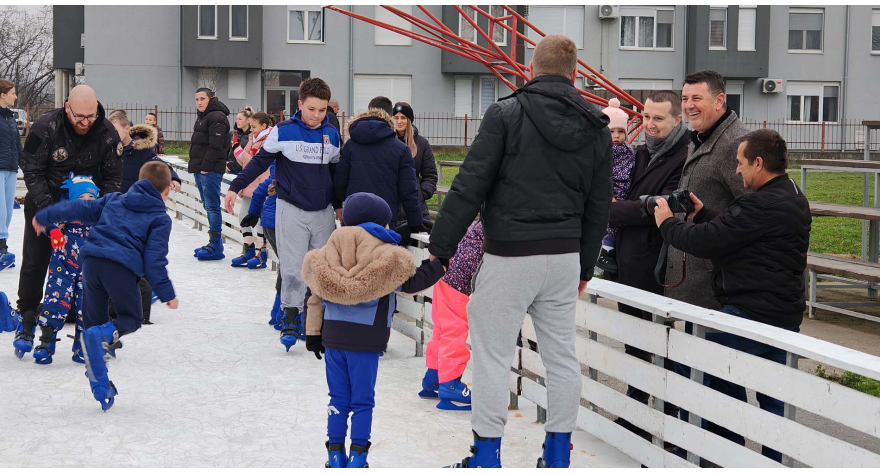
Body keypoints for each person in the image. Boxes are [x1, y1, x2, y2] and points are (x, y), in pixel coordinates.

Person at [428, 35, 612, 468]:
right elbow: (598, 205)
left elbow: (470, 184)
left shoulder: (506, 113)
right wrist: (585, 264)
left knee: (492, 354)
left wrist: (441, 249)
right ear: (574, 74)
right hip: (565, 256)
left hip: (510, 254)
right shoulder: (596, 126)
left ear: (531, 67)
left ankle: (487, 453)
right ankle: (556, 454)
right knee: (562, 357)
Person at [653, 129, 810, 463]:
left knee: (700, 367)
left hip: (751, 313)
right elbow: (738, 232)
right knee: (774, 399)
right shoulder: (793, 194)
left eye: (740, 163)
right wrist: (703, 214)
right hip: (783, 314)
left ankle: (724, 456)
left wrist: (667, 223)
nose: (737, 170)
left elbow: (706, 242)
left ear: (758, 162)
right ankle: (774, 463)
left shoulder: (761, 204)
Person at [301, 192, 445, 468]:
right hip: (366, 340)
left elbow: (314, 295)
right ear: (378, 224)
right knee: (363, 401)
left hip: (332, 338)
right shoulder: (386, 254)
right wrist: (439, 264)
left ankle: (334, 454)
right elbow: (411, 283)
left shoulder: (328, 251)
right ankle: (358, 456)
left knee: (338, 398)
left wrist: (313, 334)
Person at [32, 161, 179, 411]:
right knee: (131, 318)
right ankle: (99, 340)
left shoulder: (114, 200)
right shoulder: (159, 218)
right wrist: (166, 293)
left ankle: (99, 383)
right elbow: (154, 262)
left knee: (94, 325)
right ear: (166, 191)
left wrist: (47, 215)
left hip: (91, 265)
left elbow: (79, 207)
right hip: (120, 269)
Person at [224, 77, 342, 352]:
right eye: (312, 109)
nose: (316, 116)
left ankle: (317, 323)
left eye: (322, 110)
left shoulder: (332, 135)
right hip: (290, 208)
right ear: (300, 104)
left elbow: (337, 174)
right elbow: (259, 163)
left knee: (321, 269)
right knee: (292, 268)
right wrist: (236, 186)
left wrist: (338, 205)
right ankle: (290, 317)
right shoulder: (283, 131)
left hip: (322, 211)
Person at [14, 84, 123, 357]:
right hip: (45, 204)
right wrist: (51, 213)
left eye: (91, 116)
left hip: (86, 210)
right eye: (79, 117)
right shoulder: (45, 127)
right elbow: (33, 171)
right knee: (35, 261)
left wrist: (101, 213)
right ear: (67, 108)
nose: (86, 123)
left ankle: (90, 330)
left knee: (90, 272)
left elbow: (113, 180)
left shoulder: (107, 133)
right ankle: (27, 318)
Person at [606, 90, 690, 443]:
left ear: (676, 121)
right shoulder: (639, 155)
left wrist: (619, 208)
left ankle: (673, 420)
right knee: (635, 343)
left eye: (659, 119)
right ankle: (637, 409)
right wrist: (635, 207)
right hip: (630, 266)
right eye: (646, 117)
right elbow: (636, 203)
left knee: (667, 345)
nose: (650, 125)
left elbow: (664, 206)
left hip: (660, 268)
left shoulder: (684, 157)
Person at [666, 70, 749, 309]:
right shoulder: (702, 136)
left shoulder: (737, 144)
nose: (689, 106)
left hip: (720, 284)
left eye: (697, 98)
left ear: (720, 100)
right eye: (684, 99)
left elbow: (755, 212)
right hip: (700, 277)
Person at [107, 109, 181, 325]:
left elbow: (159, 165)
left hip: (141, 207)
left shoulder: (142, 150)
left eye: (116, 130)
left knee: (144, 250)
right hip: (120, 207)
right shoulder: (110, 149)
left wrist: (172, 178)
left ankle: (146, 292)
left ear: (127, 129)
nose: (112, 135)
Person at [26, 174, 97, 364]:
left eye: (91, 198)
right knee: (55, 302)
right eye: (81, 198)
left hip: (89, 272)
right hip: (62, 269)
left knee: (88, 307)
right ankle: (46, 342)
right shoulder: (64, 213)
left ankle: (83, 345)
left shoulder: (99, 217)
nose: (86, 203)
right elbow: (48, 221)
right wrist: (55, 231)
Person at [333, 96, 424, 234]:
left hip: (354, 216)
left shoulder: (351, 145)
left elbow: (340, 183)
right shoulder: (401, 149)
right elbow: (409, 192)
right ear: (390, 117)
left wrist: (338, 206)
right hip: (385, 219)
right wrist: (416, 223)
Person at [420, 218, 483, 411]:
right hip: (458, 280)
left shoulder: (479, 223)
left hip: (445, 273)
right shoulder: (498, 222)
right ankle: (451, 384)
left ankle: (433, 377)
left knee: (441, 328)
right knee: (454, 331)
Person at [189, 87, 231, 261]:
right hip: (201, 169)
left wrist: (205, 167)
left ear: (210, 99)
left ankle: (216, 245)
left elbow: (216, 145)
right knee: (208, 205)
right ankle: (214, 243)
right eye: (197, 99)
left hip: (210, 170)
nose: (199, 102)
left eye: (202, 99)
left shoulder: (217, 117)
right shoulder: (203, 117)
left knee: (212, 206)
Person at [595, 98, 635, 276]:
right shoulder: (599, 150)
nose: (616, 136)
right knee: (608, 223)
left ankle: (609, 250)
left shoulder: (629, 152)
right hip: (608, 191)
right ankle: (606, 251)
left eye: (621, 131)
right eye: (612, 131)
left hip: (624, 191)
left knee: (618, 222)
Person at [231, 110, 273, 269]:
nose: (252, 130)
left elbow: (254, 162)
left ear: (264, 126)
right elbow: (243, 160)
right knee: (243, 216)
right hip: (249, 181)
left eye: (254, 126)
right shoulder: (252, 138)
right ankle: (248, 248)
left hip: (261, 183)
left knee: (258, 220)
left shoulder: (269, 140)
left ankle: (261, 252)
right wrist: (237, 151)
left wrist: (236, 149)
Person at [392, 101, 438, 246]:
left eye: (403, 118)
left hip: (416, 208)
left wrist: (421, 194)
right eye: (396, 117)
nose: (399, 122)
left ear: (409, 120)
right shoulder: (387, 142)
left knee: (418, 251)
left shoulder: (422, 144)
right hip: (391, 206)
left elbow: (430, 175)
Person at [244, 163, 282, 329]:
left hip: (268, 225)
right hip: (282, 224)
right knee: (291, 268)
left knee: (286, 266)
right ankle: (282, 313)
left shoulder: (273, 177)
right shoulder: (293, 176)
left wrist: (253, 213)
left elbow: (259, 192)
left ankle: (276, 313)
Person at [0, 78, 21, 271]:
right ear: (3, 95)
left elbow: (17, 144)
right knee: (0, 209)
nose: (15, 96)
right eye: (13, 93)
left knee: (7, 209)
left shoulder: (10, 117)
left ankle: (3, 245)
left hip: (10, 168)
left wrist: (24, 164)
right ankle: (0, 247)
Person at [227, 106, 253, 174]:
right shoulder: (233, 133)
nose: (237, 121)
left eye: (240, 119)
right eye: (236, 119)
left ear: (248, 120)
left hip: (245, 171)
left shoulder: (252, 136)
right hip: (230, 169)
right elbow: (226, 149)